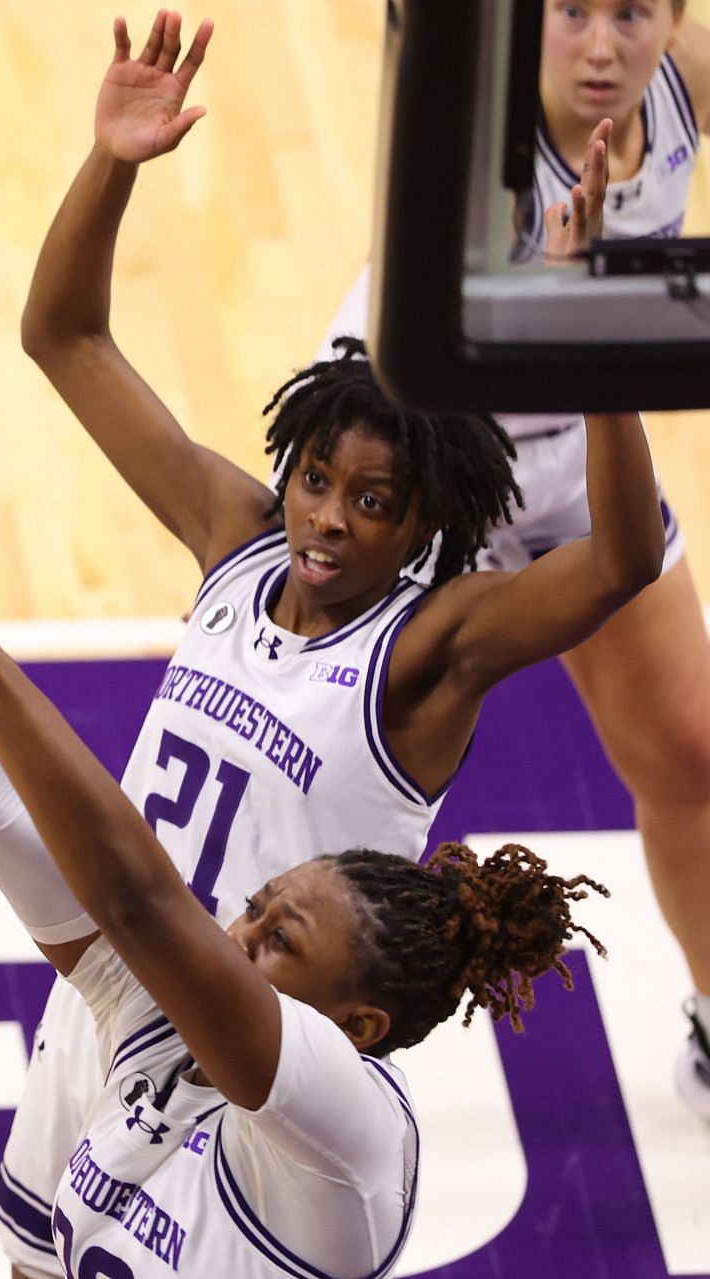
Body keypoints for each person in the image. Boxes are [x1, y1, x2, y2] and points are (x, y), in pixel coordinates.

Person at [0, 10, 663, 1275]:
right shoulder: (242, 535)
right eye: (317, 477)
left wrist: (597, 332)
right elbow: (64, 335)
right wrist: (111, 162)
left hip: (264, 1065)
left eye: (370, 501)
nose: (325, 517)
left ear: (425, 519)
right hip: (117, 996)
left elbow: (621, 560)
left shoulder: (433, 644)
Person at [0, 445, 609, 1279]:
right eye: (259, 905)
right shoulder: (166, 1042)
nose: (235, 935)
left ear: (355, 1029)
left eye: (280, 940)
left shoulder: (344, 1122)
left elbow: (140, 901)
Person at [320, 0, 710, 1116]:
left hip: (582, 443)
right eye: (568, 11)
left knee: (693, 752)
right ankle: (249, 1048)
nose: (598, 45)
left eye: (630, 12)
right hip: (420, 449)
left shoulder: (687, 72)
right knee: (346, 802)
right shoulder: (471, 129)